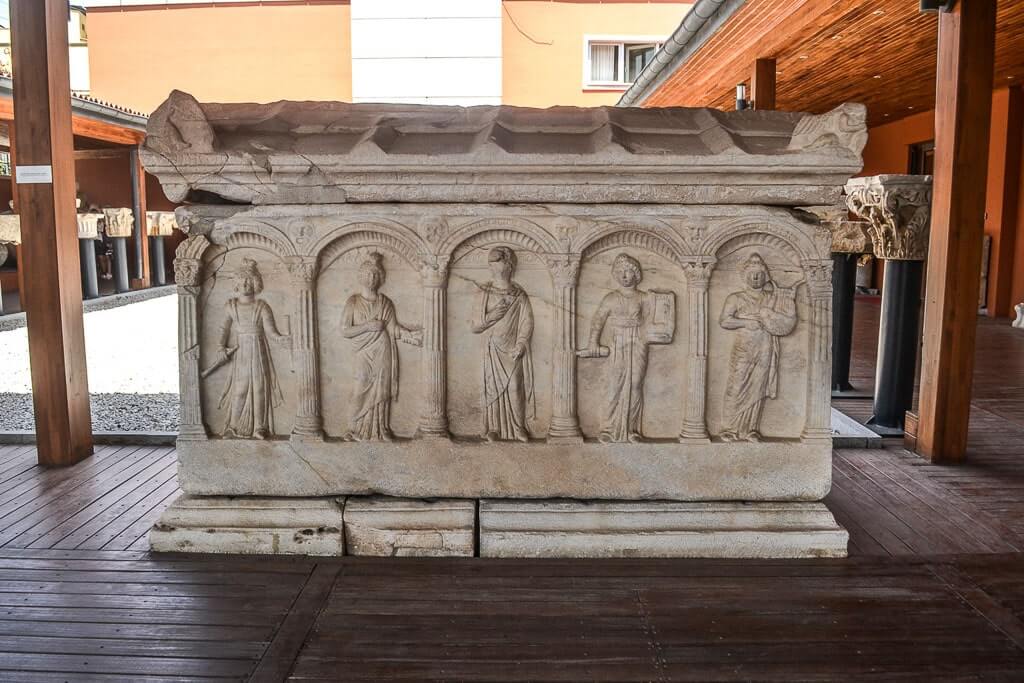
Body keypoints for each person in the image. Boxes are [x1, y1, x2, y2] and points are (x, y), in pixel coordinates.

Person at [340, 252, 421, 441]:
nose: (372, 278)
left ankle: (380, 429)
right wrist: (367, 326)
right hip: (363, 352)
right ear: (361, 276)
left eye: (375, 274)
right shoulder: (353, 301)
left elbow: (394, 329)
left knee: (382, 389)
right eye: (368, 274)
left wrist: (411, 335)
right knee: (360, 384)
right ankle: (354, 428)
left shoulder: (386, 302)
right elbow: (345, 330)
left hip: (383, 349)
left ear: (381, 277)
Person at [718, 252, 799, 442]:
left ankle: (750, 429)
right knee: (736, 386)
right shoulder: (736, 298)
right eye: (752, 274)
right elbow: (724, 321)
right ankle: (728, 428)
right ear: (744, 276)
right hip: (744, 346)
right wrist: (744, 323)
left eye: (759, 274)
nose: (755, 277)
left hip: (765, 346)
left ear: (765, 277)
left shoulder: (772, 297)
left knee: (758, 387)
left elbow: (784, 319)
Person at [579, 253, 654, 443]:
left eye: (628, 271)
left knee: (636, 384)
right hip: (618, 342)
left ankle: (631, 429)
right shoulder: (611, 297)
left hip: (638, 342)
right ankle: (609, 428)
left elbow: (658, 319)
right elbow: (598, 320)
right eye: (620, 272)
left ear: (636, 274)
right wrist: (593, 343)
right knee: (614, 385)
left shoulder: (645, 297)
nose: (624, 275)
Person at [216, 259, 290, 439]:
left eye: (249, 280)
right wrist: (220, 347)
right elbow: (223, 329)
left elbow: (271, 332)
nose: (245, 284)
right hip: (241, 350)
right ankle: (233, 426)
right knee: (240, 388)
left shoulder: (262, 306)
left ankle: (259, 427)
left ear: (256, 283)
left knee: (259, 388)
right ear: (236, 282)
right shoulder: (231, 306)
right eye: (242, 280)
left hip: (258, 349)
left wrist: (282, 339)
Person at [471, 247, 535, 442]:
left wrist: (522, 344)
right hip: (492, 348)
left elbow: (527, 322)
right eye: (492, 262)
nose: (495, 266)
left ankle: (518, 427)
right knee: (492, 386)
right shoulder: (484, 291)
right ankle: (493, 428)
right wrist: (493, 315)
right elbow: (475, 326)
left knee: (515, 386)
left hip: (513, 348)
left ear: (509, 265)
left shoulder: (519, 294)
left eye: (499, 261)